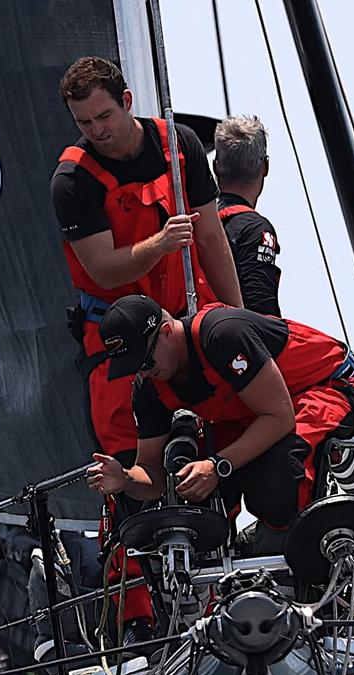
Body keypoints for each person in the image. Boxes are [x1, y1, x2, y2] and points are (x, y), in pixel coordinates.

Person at [51, 56, 244, 464]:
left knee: (220, 448)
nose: (97, 130)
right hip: (118, 342)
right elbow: (102, 270)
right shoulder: (73, 180)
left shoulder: (180, 143)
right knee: (128, 463)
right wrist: (160, 243)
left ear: (126, 100)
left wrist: (241, 320)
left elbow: (210, 238)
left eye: (103, 115)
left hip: (184, 326)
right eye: (84, 122)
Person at [85, 295, 354, 552]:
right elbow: (151, 474)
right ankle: (229, 571)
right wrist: (124, 479)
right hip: (254, 413)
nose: (143, 373)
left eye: (145, 362)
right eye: (134, 367)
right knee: (195, 491)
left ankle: (291, 560)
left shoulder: (222, 334)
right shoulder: (149, 387)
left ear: (166, 332)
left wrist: (217, 465)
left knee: (277, 476)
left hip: (328, 388)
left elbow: (279, 418)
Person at [213, 115, 282, 316]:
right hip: (234, 340)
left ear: (216, 166)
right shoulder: (256, 230)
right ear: (265, 167)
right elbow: (261, 310)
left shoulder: (199, 221)